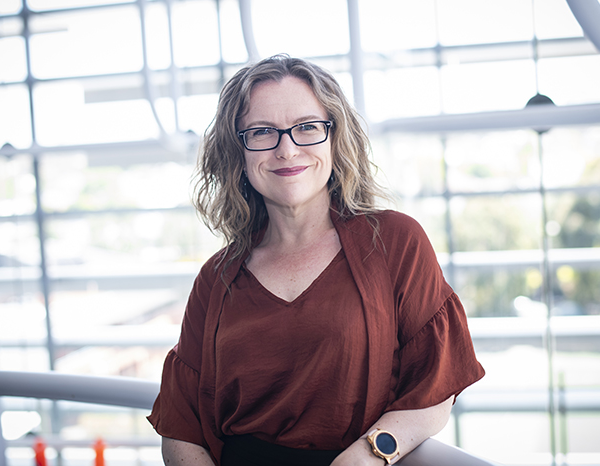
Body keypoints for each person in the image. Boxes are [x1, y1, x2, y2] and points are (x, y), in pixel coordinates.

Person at [148, 54, 485, 466]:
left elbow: (436, 385)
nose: (287, 150)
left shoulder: (395, 241)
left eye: (307, 127)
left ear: (334, 137)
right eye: (262, 132)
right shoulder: (215, 278)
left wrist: (367, 455)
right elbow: (182, 426)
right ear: (238, 151)